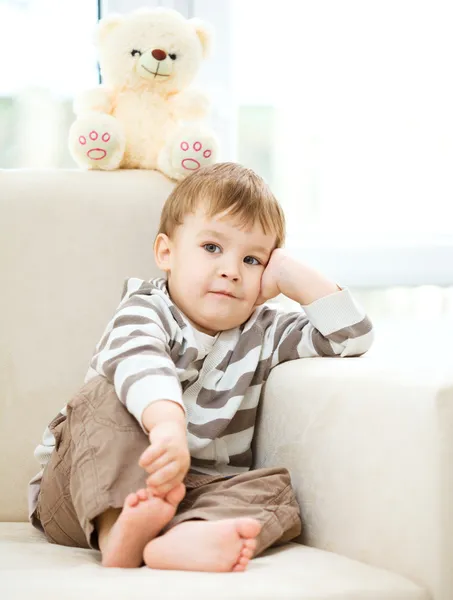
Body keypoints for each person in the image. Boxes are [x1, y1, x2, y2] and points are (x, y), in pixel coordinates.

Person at [29, 162, 374, 572]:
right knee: (104, 391)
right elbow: (140, 361)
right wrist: (167, 427)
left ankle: (175, 541)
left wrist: (289, 273)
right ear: (166, 253)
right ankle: (116, 531)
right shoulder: (146, 308)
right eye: (212, 248)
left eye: (251, 259)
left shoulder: (265, 332)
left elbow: (351, 336)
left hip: (191, 491)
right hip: (81, 489)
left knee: (277, 490)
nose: (230, 270)